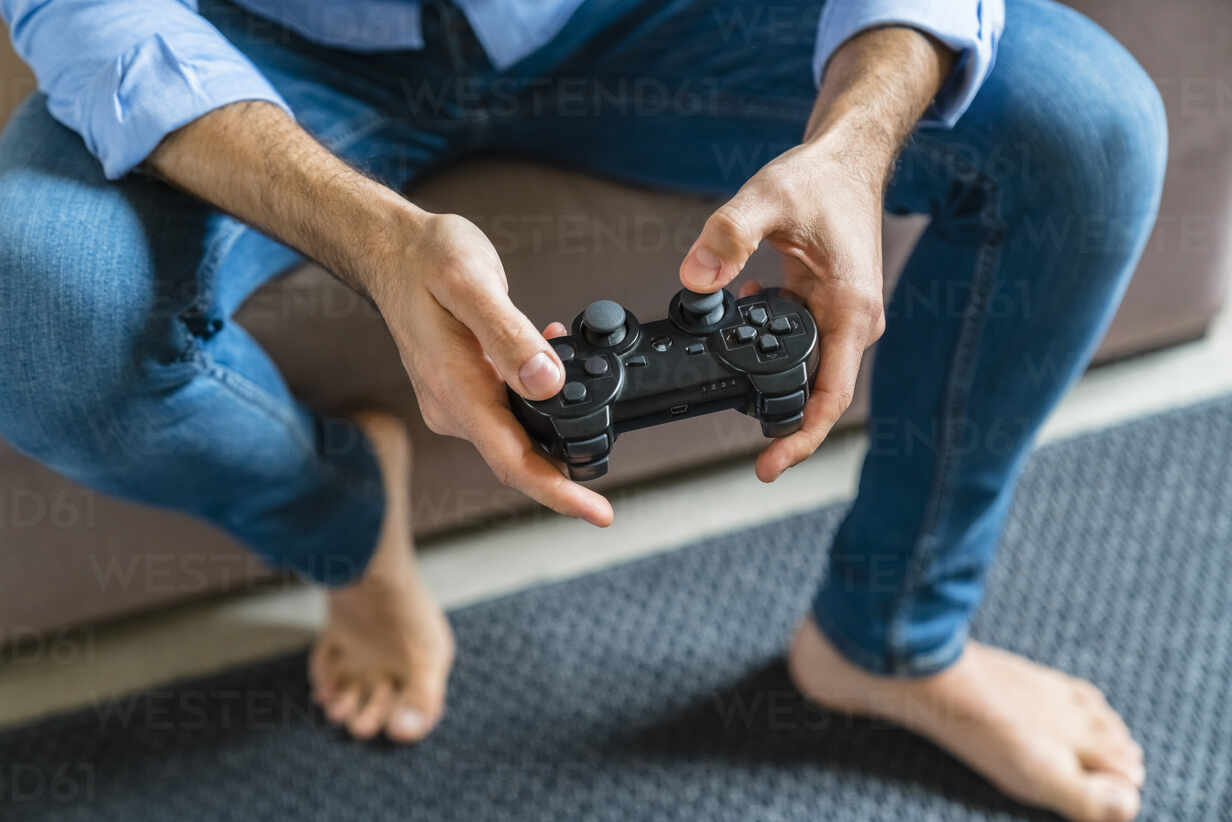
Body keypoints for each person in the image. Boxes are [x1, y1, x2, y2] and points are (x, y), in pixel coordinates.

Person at [0, 0, 1165, 819]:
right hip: (255, 39)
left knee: (1084, 127)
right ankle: (346, 531)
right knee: (34, 317)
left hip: (621, 11)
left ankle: (888, 637)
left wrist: (853, 141)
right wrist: (379, 242)